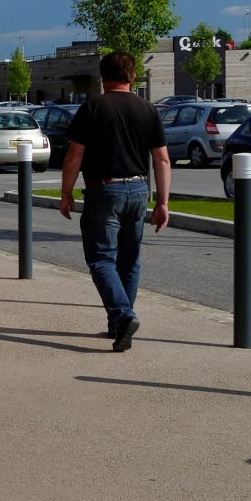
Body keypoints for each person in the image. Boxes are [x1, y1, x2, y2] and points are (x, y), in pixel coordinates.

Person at [58, 51, 169, 351]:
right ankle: (119, 326)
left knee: (101, 259)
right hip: (138, 190)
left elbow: (74, 154)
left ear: (102, 77)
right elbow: (162, 159)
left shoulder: (93, 107)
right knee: (129, 260)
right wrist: (162, 202)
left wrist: (66, 192)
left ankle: (123, 316)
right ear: (132, 77)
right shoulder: (148, 109)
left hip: (105, 191)